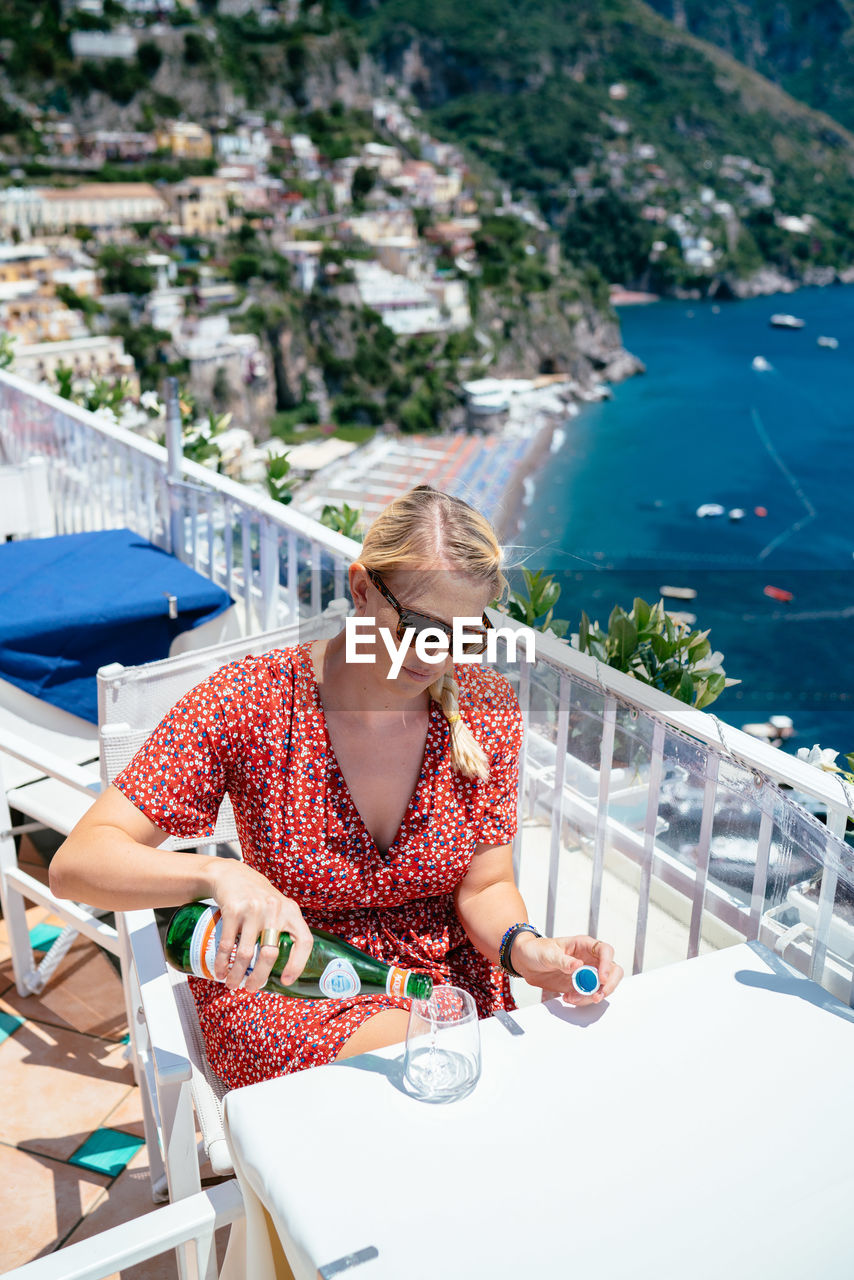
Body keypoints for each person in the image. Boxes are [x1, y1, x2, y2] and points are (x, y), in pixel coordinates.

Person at [51, 486, 623, 1088]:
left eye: (465, 634)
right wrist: (218, 874)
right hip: (290, 985)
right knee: (439, 1086)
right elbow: (79, 862)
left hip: (442, 990)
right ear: (360, 588)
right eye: (423, 626)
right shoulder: (254, 701)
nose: (438, 655)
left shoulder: (484, 708)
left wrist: (520, 947)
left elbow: (486, 886)